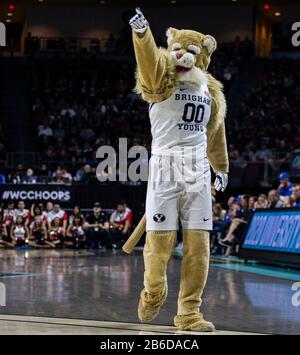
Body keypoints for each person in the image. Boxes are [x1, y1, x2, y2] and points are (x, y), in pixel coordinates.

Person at [129, 8, 228, 331]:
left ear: (203, 58)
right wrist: (143, 35)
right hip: (164, 170)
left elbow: (215, 131)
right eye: (178, 51)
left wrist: (220, 166)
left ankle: (189, 313)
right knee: (159, 246)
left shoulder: (209, 90)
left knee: (199, 247)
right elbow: (150, 63)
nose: (184, 56)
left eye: (192, 52)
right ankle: (153, 291)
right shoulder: (162, 79)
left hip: (198, 173)